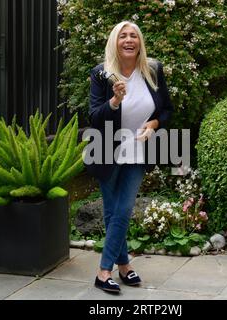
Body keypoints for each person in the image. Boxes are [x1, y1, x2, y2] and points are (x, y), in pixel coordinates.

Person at [86, 21, 173, 293]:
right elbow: (94, 116)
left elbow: (167, 110)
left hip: (138, 150)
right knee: (113, 214)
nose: (128, 39)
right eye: (122, 35)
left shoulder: (153, 71)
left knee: (123, 210)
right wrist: (113, 102)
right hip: (105, 150)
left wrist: (154, 125)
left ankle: (103, 271)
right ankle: (124, 266)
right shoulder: (102, 74)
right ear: (115, 42)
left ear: (140, 43)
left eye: (133, 35)